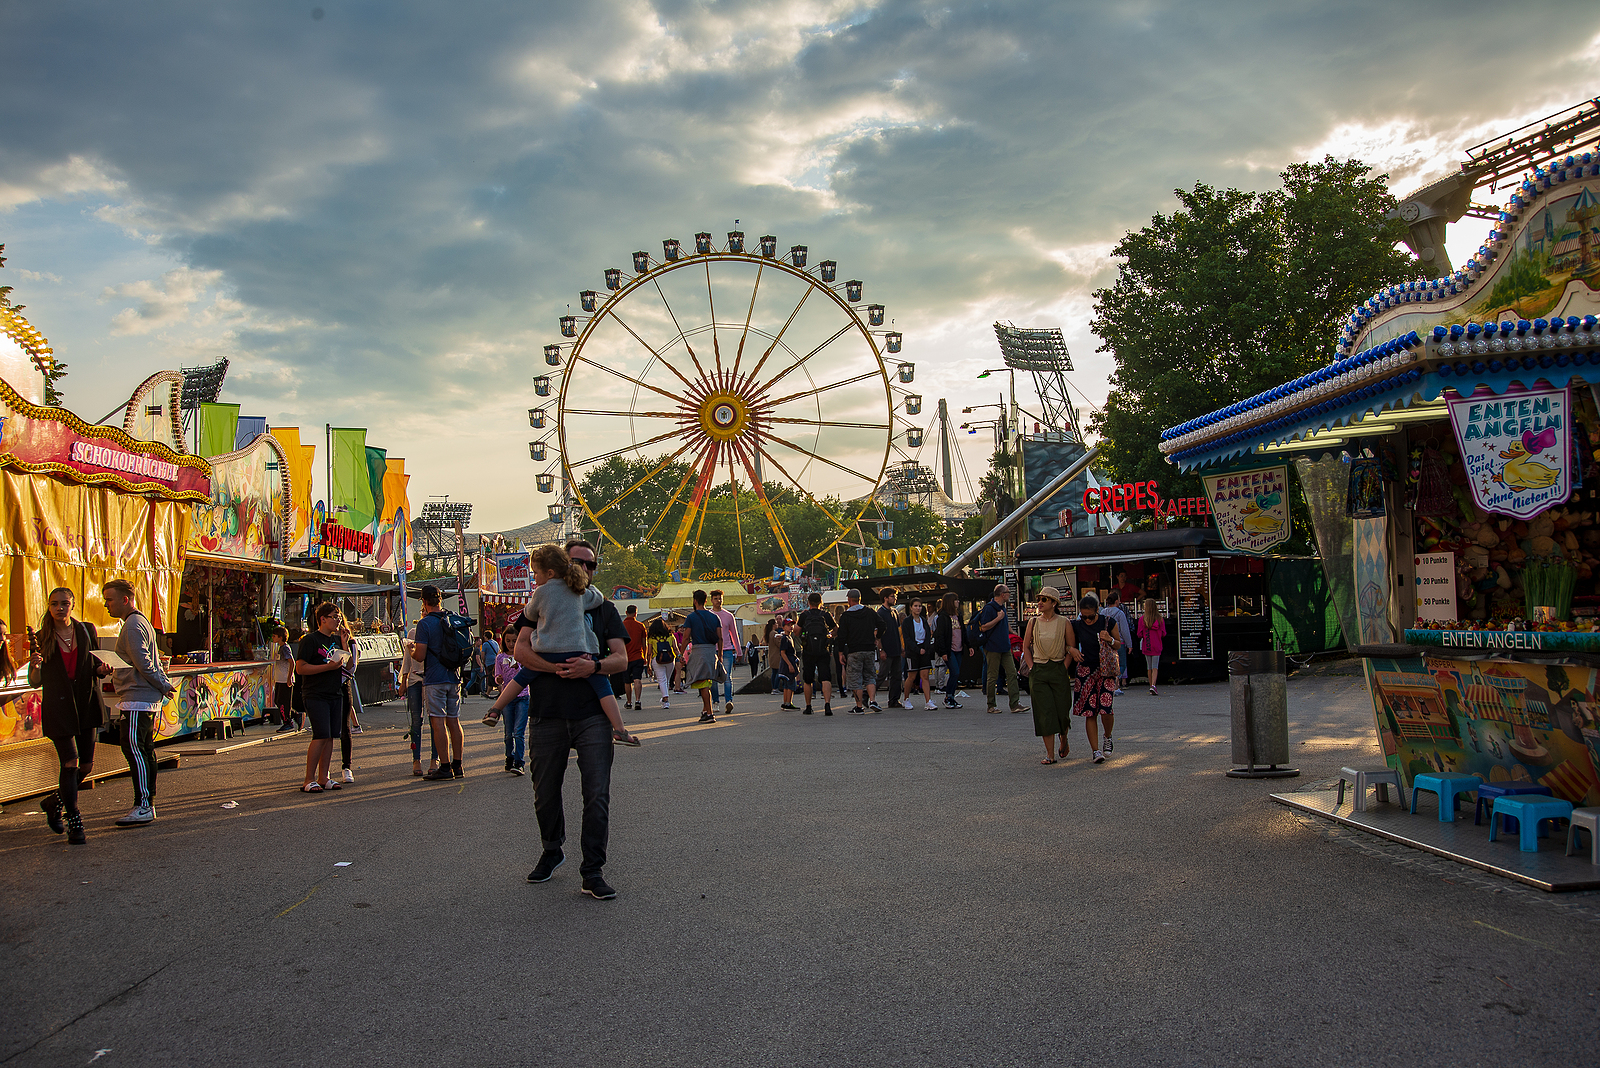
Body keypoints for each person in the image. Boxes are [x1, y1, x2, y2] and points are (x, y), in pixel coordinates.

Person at [521, 538, 629, 900]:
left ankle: (593, 870)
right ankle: (552, 849)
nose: (584, 568)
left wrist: (592, 666)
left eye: (591, 564)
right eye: (577, 561)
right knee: (544, 791)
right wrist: (554, 666)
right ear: (560, 566)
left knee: (596, 794)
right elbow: (520, 647)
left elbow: (621, 659)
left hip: (592, 714)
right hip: (547, 712)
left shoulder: (604, 608)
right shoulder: (543, 598)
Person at [483, 543, 639, 744]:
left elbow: (529, 615)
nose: (535, 578)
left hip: (547, 650)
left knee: (523, 676)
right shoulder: (579, 592)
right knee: (602, 686)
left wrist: (550, 665)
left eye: (536, 573)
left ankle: (495, 709)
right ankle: (619, 729)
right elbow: (597, 598)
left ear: (549, 572)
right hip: (579, 651)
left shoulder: (540, 592)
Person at [27, 588, 111, 844]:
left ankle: (54, 802)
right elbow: (34, 681)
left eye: (65, 603)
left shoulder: (86, 630)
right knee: (70, 762)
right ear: (49, 607)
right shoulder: (42, 637)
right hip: (59, 707)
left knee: (86, 766)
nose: (60, 608)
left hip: (86, 703)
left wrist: (102, 669)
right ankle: (75, 820)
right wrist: (35, 665)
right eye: (55, 604)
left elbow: (96, 666)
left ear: (73, 605)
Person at [103, 579, 177, 825]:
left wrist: (163, 685)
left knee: (135, 749)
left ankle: (144, 804)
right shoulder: (140, 622)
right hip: (141, 697)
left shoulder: (133, 625)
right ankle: (146, 803)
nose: (106, 605)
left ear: (125, 599)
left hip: (138, 698)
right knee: (144, 750)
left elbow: (144, 662)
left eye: (110, 599)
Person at [415, 585, 467, 781]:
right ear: (440, 599)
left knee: (437, 722)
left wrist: (412, 650)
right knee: (454, 721)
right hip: (454, 676)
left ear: (424, 601)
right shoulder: (452, 618)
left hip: (434, 678)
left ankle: (444, 767)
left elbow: (420, 656)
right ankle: (458, 765)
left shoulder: (425, 624)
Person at [296, 602, 348, 792]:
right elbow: (300, 668)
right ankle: (308, 779)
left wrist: (344, 643)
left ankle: (324, 776)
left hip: (335, 692)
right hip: (315, 693)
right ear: (322, 619)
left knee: (331, 736)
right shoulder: (310, 640)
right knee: (320, 734)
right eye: (334, 616)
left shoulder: (336, 639)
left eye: (339, 616)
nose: (337, 620)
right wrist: (326, 667)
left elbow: (348, 667)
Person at [1021, 587, 1072, 764]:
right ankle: (1050, 754)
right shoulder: (1033, 622)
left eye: (1044, 599)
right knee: (1044, 712)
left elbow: (1071, 648)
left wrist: (1063, 667)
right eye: (1039, 599)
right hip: (1039, 669)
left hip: (1057, 668)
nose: (1040, 603)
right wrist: (1031, 666)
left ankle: (1063, 736)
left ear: (1054, 603)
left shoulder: (1064, 622)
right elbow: (1025, 646)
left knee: (1062, 710)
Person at [1069, 595, 1120, 764]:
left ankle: (1107, 736)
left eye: (1090, 616)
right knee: (1089, 712)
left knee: (1106, 708)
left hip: (1105, 670)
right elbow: (1066, 641)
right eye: (1084, 616)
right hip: (1086, 670)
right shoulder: (1076, 625)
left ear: (1097, 611)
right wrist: (1071, 649)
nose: (1087, 620)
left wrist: (1110, 639)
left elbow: (1119, 644)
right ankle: (1095, 750)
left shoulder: (1108, 622)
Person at [977, 584, 1024, 714]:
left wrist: (1013, 633)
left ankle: (1015, 703)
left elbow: (1005, 623)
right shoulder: (989, 608)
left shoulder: (1002, 607)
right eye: (1008, 592)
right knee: (992, 676)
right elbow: (984, 627)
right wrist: (998, 618)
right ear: (1002, 594)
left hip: (1004, 646)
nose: (1009, 595)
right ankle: (991, 704)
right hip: (992, 646)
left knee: (1012, 673)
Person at [837, 588, 884, 714]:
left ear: (849, 600)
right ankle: (873, 700)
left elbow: (841, 636)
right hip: (869, 649)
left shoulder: (846, 616)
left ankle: (859, 706)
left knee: (855, 678)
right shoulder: (869, 612)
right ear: (860, 599)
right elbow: (882, 624)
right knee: (870, 676)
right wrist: (877, 636)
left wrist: (841, 652)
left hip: (854, 650)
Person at [493, 625, 529, 774]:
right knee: (508, 732)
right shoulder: (500, 657)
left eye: (514, 641)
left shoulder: (523, 656)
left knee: (518, 732)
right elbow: (497, 677)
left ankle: (519, 762)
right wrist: (498, 679)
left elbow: (527, 674)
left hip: (522, 696)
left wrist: (518, 667)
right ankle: (509, 757)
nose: (511, 644)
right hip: (507, 698)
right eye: (508, 641)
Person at [683, 590, 722, 724]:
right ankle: (705, 710)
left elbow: (686, 637)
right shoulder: (715, 617)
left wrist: (679, 653)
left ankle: (710, 713)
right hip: (712, 651)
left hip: (699, 651)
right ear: (706, 601)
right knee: (706, 682)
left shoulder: (691, 617)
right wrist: (720, 655)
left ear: (694, 601)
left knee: (703, 684)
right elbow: (720, 638)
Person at [796, 592, 835, 715]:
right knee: (825, 678)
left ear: (808, 602)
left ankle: (808, 706)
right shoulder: (826, 615)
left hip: (808, 650)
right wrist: (829, 636)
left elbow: (797, 631)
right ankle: (827, 705)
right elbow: (836, 628)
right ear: (820, 602)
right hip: (823, 650)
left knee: (808, 679)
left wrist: (804, 635)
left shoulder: (804, 615)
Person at [900, 597, 937, 710]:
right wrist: (916, 649)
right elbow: (907, 638)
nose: (918, 608)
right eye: (915, 606)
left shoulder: (923, 620)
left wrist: (925, 648)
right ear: (911, 607)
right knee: (911, 676)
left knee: (925, 676)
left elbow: (927, 635)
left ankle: (928, 701)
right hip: (912, 651)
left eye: (920, 606)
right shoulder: (907, 621)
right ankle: (906, 698)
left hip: (924, 650)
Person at [336, 620, 361, 783]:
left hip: (343, 685)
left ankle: (347, 767)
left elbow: (351, 668)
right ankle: (322, 771)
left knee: (345, 728)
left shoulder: (351, 642)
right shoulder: (320, 640)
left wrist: (344, 645)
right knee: (326, 731)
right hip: (323, 687)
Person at [709, 589, 740, 715]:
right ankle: (715, 702)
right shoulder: (709, 615)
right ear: (711, 600)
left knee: (727, 677)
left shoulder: (729, 616)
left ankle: (729, 701)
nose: (718, 600)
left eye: (720, 598)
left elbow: (734, 634)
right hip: (712, 650)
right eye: (715, 598)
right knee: (713, 678)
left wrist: (739, 651)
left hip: (727, 649)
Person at [932, 593, 966, 709]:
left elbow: (963, 632)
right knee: (955, 672)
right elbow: (940, 636)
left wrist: (969, 645)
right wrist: (943, 652)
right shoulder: (943, 617)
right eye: (955, 600)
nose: (958, 602)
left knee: (955, 674)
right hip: (949, 649)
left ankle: (951, 697)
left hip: (959, 649)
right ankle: (948, 697)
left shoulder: (958, 616)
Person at [875, 587, 904, 708]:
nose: (895, 598)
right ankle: (867, 695)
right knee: (882, 674)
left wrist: (901, 647)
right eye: (892, 596)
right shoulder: (880, 613)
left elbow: (898, 631)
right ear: (885, 598)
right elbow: (877, 634)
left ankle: (894, 700)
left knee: (897, 676)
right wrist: (881, 649)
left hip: (896, 649)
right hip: (886, 650)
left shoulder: (895, 612)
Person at [1101, 590, 1133, 694]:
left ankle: (1111, 684)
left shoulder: (1102, 613)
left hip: (1106, 642)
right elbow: (1125, 630)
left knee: (1109, 664)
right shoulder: (1120, 613)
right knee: (1122, 664)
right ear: (1116, 601)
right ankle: (1115, 682)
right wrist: (1130, 645)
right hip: (1120, 642)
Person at [646, 613, 678, 708]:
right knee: (666, 680)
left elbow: (649, 653)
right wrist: (679, 656)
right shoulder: (670, 636)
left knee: (662, 680)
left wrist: (648, 664)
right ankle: (664, 699)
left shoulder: (651, 638)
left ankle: (666, 699)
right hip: (670, 659)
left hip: (657, 660)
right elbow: (675, 648)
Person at [269, 625, 297, 731]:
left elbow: (292, 662)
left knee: (283, 702)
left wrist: (289, 677)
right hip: (279, 679)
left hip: (285, 679)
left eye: (274, 636)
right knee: (278, 700)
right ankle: (295, 715)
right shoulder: (279, 648)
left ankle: (287, 721)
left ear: (280, 637)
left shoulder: (285, 648)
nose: (273, 638)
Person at [621, 604, 647, 711]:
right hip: (638, 656)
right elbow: (644, 643)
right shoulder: (641, 626)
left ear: (626, 612)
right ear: (636, 613)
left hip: (625, 657)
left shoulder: (621, 625)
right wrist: (645, 657)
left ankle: (628, 701)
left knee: (627, 681)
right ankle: (638, 700)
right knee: (637, 679)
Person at [1138, 597, 1165, 696]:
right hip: (1157, 645)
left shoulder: (1142, 619)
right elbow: (1163, 633)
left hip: (1147, 645)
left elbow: (1139, 634)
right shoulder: (1160, 619)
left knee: (1149, 667)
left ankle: (1151, 685)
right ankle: (1153, 685)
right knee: (1155, 667)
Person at [481, 630, 501, 699]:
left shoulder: (485, 644)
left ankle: (501, 692)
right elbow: (499, 652)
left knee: (492, 677)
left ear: (486, 637)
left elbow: (483, 655)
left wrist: (483, 661)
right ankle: (487, 693)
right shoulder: (495, 643)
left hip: (489, 662)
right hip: (496, 661)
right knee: (490, 677)